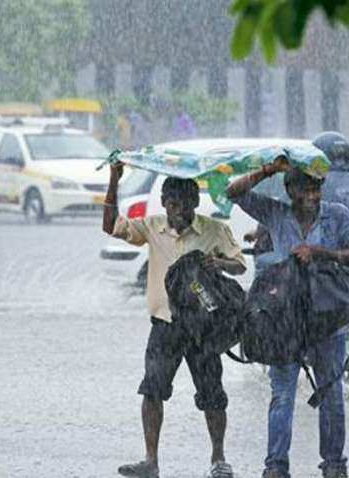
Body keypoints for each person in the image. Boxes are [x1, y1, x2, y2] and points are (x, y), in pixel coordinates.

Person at [226, 159, 349, 478]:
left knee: (331, 392)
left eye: (316, 187)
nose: (312, 194)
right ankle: (276, 465)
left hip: (326, 317)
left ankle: (334, 464)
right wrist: (267, 170)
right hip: (284, 319)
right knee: (282, 393)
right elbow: (232, 192)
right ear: (289, 190)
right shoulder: (275, 213)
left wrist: (321, 253)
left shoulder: (339, 215)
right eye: (304, 188)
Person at [103, 161, 246, 478]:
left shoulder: (214, 230)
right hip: (165, 325)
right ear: (164, 202)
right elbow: (111, 225)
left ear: (195, 203)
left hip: (204, 330)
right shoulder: (152, 227)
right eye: (171, 203)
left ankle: (218, 459)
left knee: (212, 395)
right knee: (152, 390)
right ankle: (150, 461)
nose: (176, 210)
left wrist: (217, 262)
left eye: (183, 203)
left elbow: (240, 266)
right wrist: (114, 179)